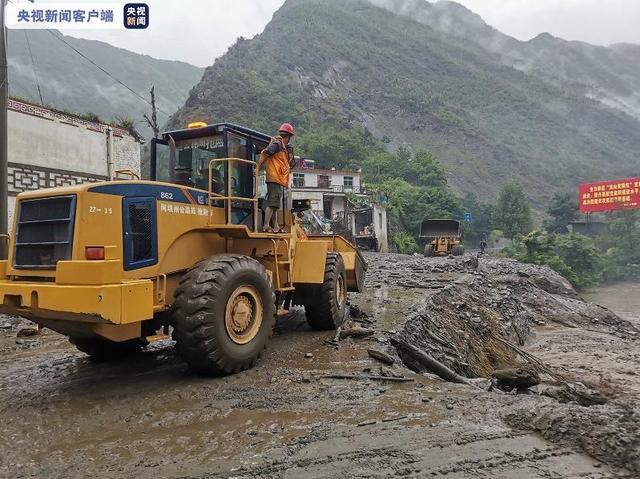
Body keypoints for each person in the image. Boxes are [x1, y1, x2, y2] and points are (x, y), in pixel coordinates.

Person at [256, 123, 295, 232]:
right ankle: (266, 226)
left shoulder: (282, 147)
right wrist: (257, 168)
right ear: (287, 137)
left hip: (277, 179)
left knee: (275, 204)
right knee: (273, 204)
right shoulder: (277, 144)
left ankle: (276, 226)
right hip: (274, 178)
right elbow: (266, 152)